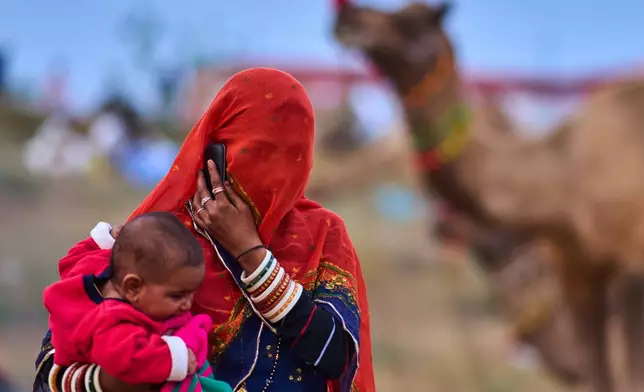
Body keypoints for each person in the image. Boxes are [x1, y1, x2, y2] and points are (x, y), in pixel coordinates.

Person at [34, 67, 375, 392]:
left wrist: (252, 255)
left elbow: (339, 358)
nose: (271, 180)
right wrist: (121, 380)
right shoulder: (159, 239)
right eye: (255, 156)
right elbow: (51, 372)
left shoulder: (321, 235)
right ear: (215, 151)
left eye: (289, 160)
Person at [42, 212, 232, 392]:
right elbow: (129, 359)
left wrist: (105, 239)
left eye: (191, 294)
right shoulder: (114, 321)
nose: (187, 305)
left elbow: (73, 258)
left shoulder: (99, 267)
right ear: (133, 288)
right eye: (177, 296)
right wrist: (177, 359)